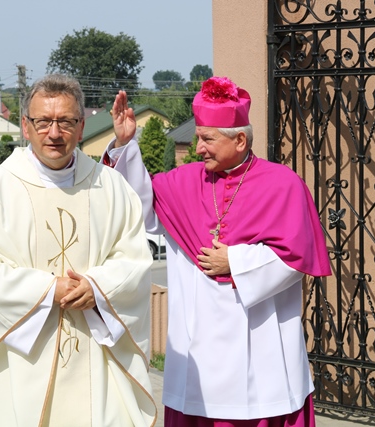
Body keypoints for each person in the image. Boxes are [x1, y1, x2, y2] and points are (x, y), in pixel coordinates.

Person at [0, 74, 156, 427]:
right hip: (15, 364)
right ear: (25, 126)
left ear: (81, 126)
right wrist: (47, 291)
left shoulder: (112, 187)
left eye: (65, 122)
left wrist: (98, 287)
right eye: (43, 122)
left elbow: (134, 260)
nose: (54, 133)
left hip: (96, 361)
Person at [103, 76, 332, 427]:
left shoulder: (283, 185)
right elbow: (136, 206)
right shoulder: (183, 181)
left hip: (262, 353)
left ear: (239, 140)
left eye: (207, 139)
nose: (198, 148)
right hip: (198, 349)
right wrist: (125, 144)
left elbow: (297, 259)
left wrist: (235, 261)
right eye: (198, 137)